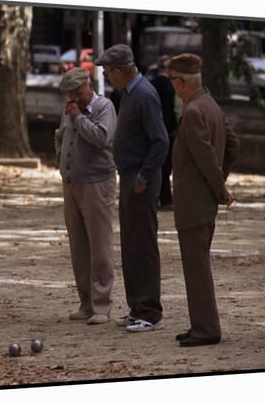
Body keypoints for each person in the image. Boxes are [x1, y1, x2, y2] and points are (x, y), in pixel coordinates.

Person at [95, 44, 169, 333]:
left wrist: (144, 176)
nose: (106, 77)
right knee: (131, 244)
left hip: (141, 179)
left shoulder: (145, 95)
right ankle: (137, 306)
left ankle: (149, 311)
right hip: (129, 176)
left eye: (106, 72)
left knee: (143, 244)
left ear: (117, 71)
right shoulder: (129, 94)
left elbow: (161, 141)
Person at [168, 53, 239, 347]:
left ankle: (207, 329)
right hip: (202, 202)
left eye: (172, 80)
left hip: (195, 204)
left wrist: (220, 189)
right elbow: (233, 144)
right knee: (196, 267)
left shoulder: (193, 111)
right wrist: (221, 179)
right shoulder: (209, 104)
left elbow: (206, 158)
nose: (172, 86)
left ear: (182, 81)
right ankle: (200, 324)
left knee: (196, 269)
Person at [54, 67, 117, 325]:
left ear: (88, 86)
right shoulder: (70, 109)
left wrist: (79, 117)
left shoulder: (104, 107)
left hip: (97, 183)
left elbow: (101, 137)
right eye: (70, 94)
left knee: (99, 245)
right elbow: (61, 136)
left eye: (78, 92)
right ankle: (86, 302)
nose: (74, 97)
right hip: (72, 183)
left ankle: (102, 305)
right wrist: (61, 158)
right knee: (78, 245)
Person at [151, 55, 177, 209]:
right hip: (168, 130)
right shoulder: (172, 86)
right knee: (166, 168)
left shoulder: (152, 85)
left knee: (156, 166)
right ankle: (166, 198)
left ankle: (156, 196)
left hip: (154, 129)